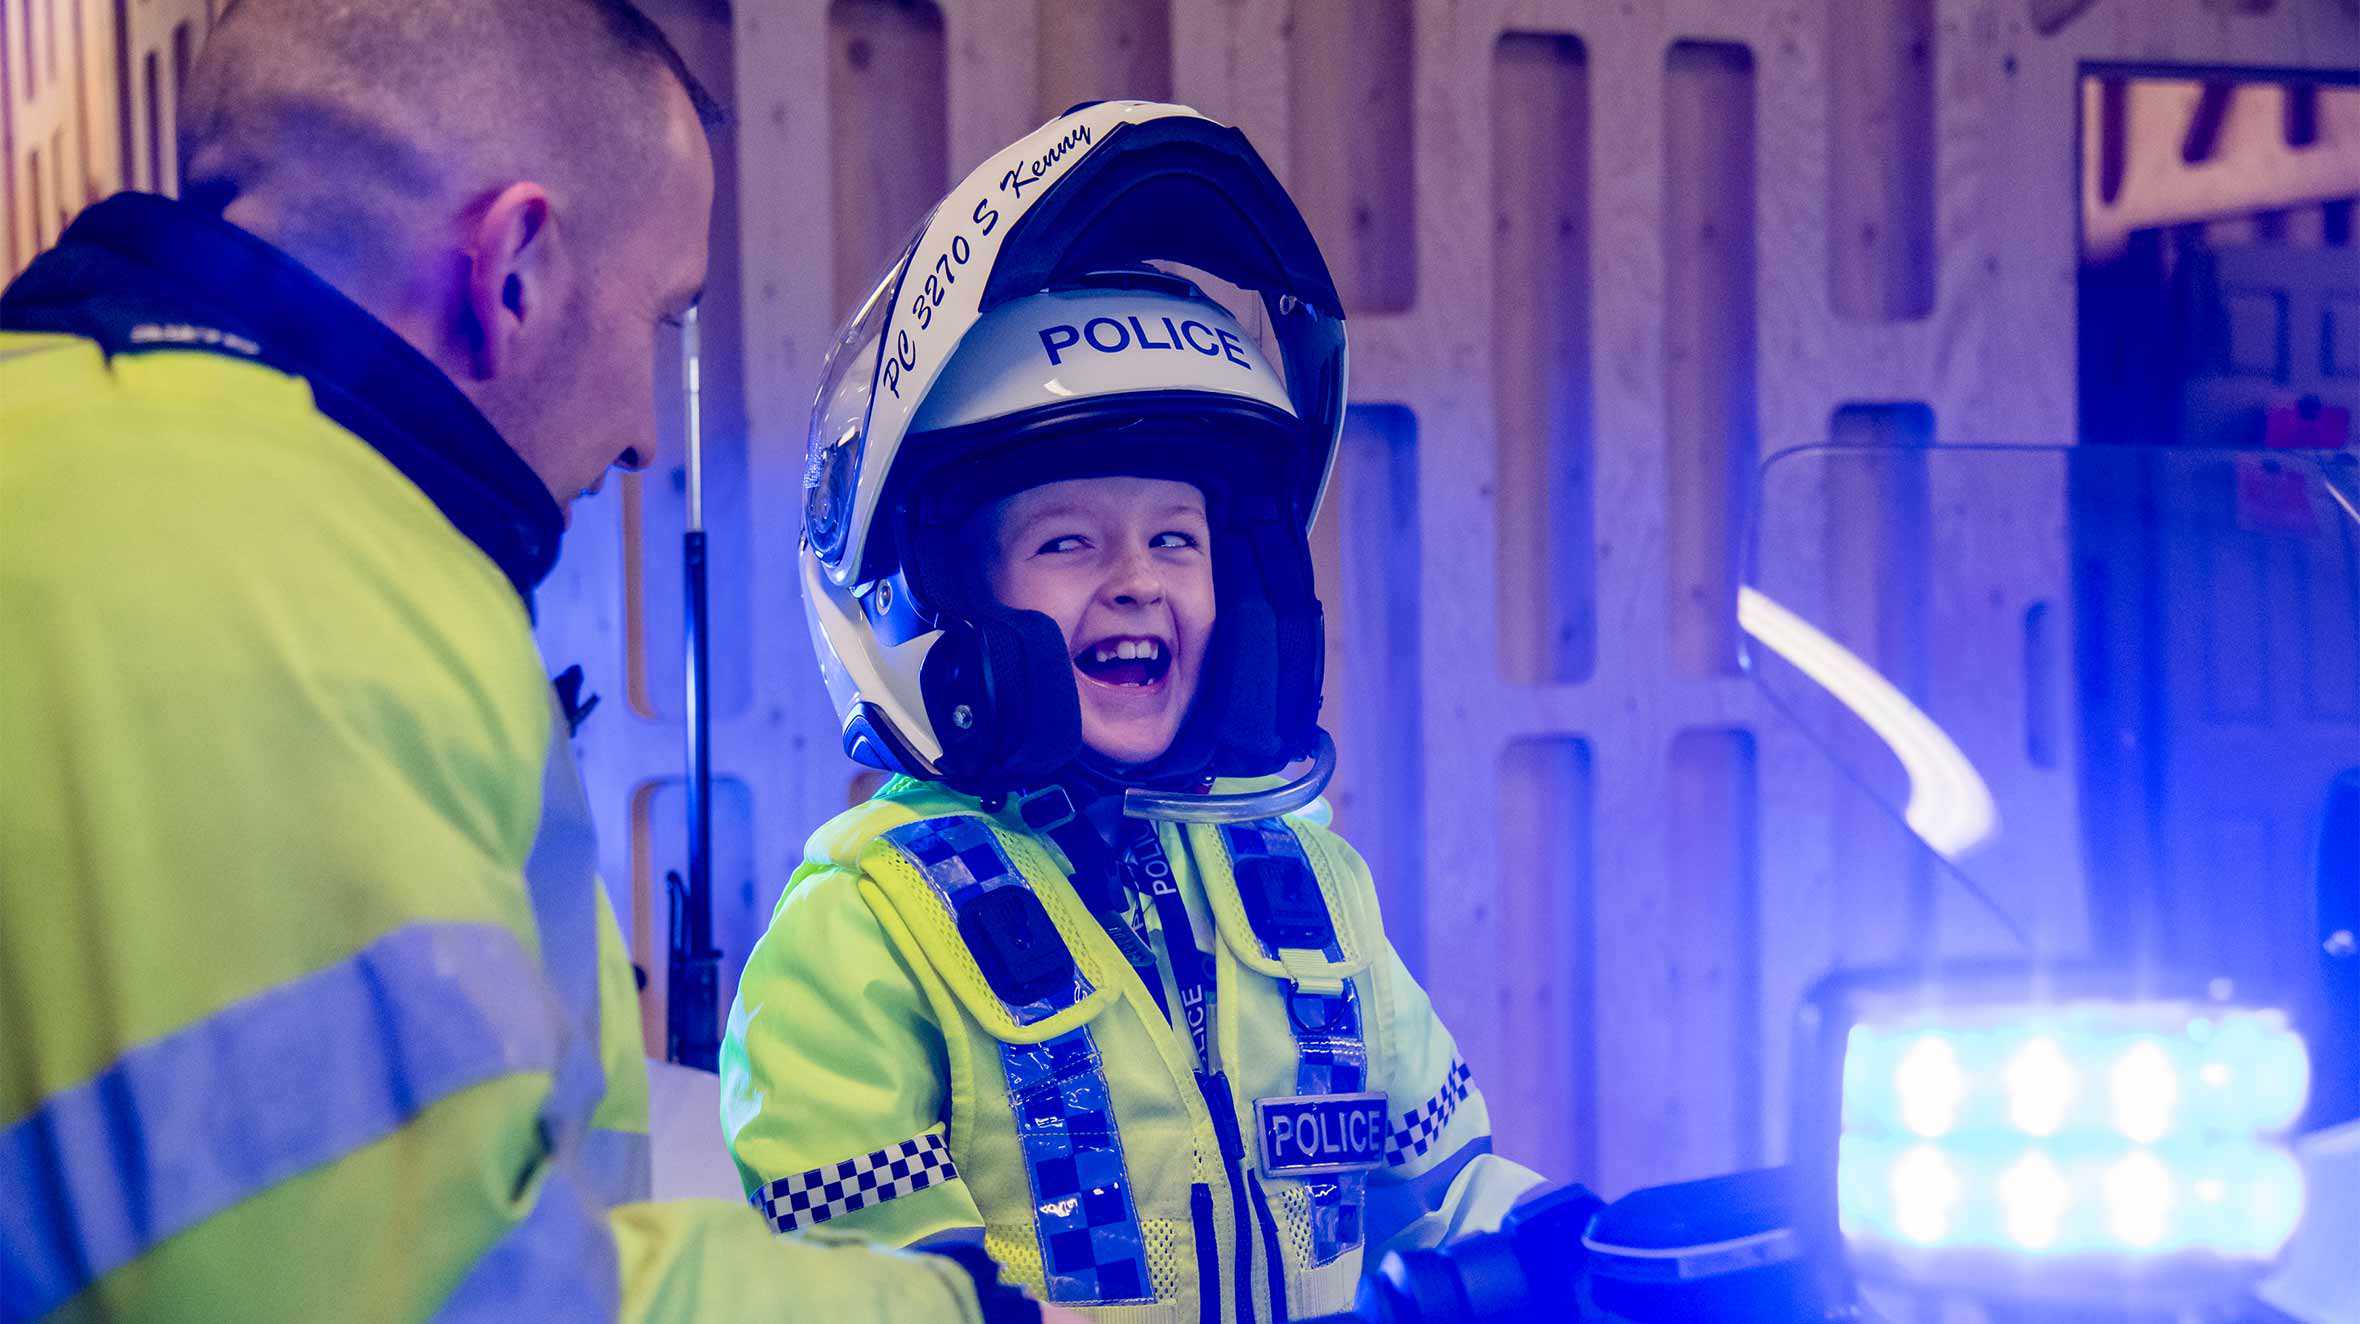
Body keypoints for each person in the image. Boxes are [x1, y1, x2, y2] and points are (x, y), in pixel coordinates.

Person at [0, 2, 1065, 1320]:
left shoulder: (73, 454)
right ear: (513, 268)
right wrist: (963, 1311)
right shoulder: (306, 613)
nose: (639, 436)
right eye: (666, 320)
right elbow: (415, 1290)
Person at [721, 102, 1547, 1321]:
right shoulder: (861, 933)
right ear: (946, 601)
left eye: (1176, 535)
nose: (1137, 579)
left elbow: (1444, 1188)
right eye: (1067, 540)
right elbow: (870, 1290)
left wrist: (1582, 1243)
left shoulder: (1315, 890)